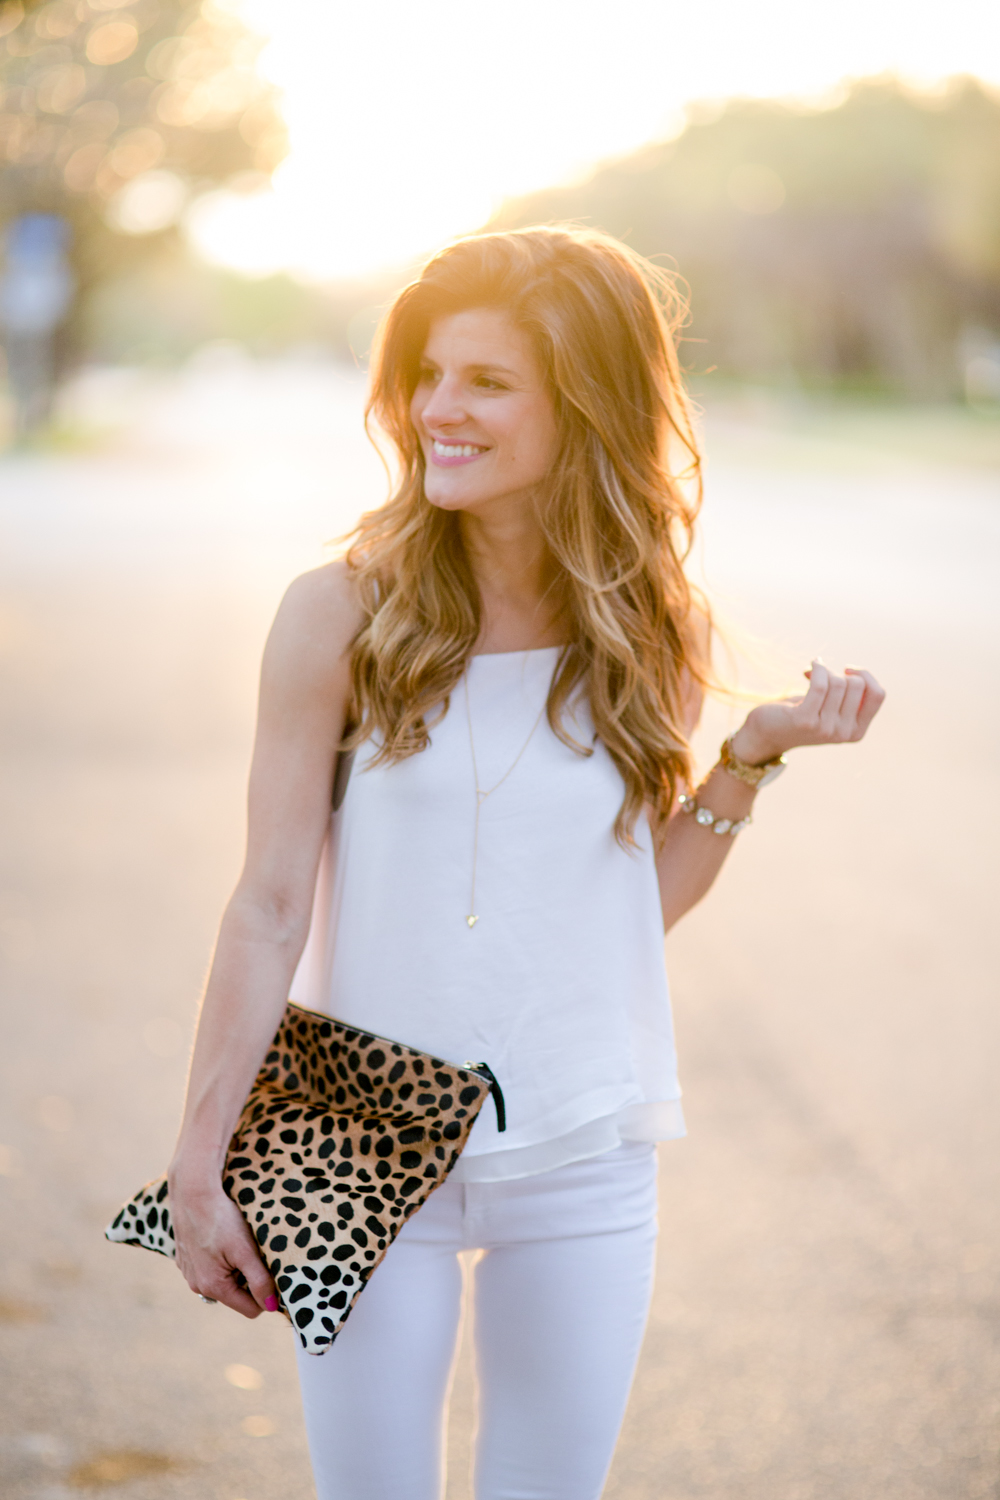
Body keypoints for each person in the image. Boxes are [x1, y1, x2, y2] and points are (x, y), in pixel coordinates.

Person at [167, 227, 884, 1500]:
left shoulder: (647, 621)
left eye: (487, 383)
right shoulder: (338, 612)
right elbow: (270, 903)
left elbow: (619, 912)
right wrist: (199, 1157)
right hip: (359, 1134)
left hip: (581, 1146)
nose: (437, 409)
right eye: (430, 373)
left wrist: (748, 760)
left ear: (587, 406)